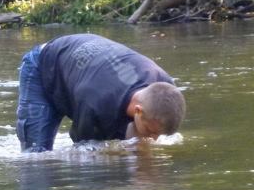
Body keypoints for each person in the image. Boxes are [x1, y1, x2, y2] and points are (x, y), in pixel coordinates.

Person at [16, 33, 185, 152]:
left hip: (84, 68)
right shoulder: (96, 104)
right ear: (138, 111)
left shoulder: (166, 88)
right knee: (36, 157)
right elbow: (83, 150)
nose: (154, 139)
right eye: (151, 131)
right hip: (43, 66)